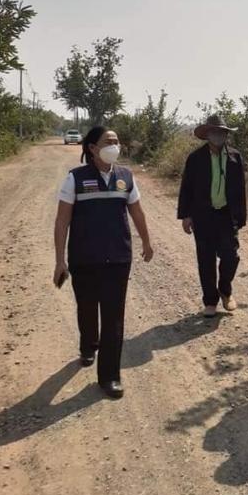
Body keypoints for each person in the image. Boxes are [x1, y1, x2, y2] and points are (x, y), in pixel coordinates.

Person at [53, 126, 154, 399]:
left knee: (113, 316)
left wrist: (146, 241)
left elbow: (137, 212)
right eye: (108, 141)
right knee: (87, 307)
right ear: (92, 148)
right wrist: (59, 260)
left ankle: (109, 376)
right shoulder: (75, 178)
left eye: (116, 141)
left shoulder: (126, 177)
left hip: (118, 257)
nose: (114, 145)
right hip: (84, 258)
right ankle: (88, 345)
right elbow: (62, 220)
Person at [177, 115, 247, 318]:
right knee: (206, 259)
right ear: (207, 134)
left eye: (222, 132)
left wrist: (241, 216)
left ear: (226, 134)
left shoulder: (235, 157)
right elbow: (186, 188)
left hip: (226, 215)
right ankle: (210, 301)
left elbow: (240, 189)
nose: (218, 135)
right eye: (214, 132)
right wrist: (186, 215)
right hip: (203, 215)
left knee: (231, 256)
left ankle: (225, 290)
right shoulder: (195, 158)